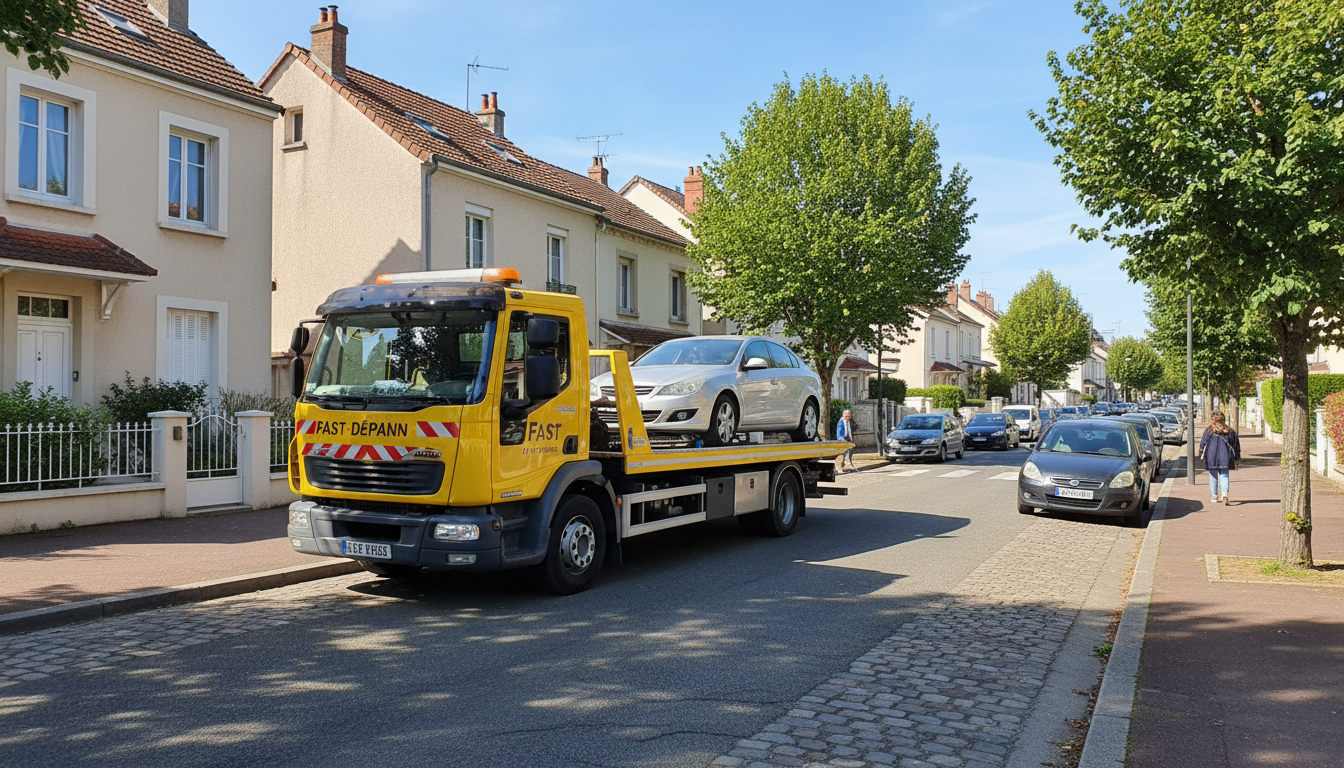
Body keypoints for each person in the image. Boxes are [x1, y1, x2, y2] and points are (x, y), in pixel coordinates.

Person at [1198, 410, 1241, 505]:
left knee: (1213, 476)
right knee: (1224, 475)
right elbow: (1236, 444)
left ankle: (1214, 496)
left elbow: (1203, 443)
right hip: (1225, 456)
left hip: (1211, 456)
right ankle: (1225, 495)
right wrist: (1237, 457)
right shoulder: (1230, 431)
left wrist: (1201, 454)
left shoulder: (1209, 430)